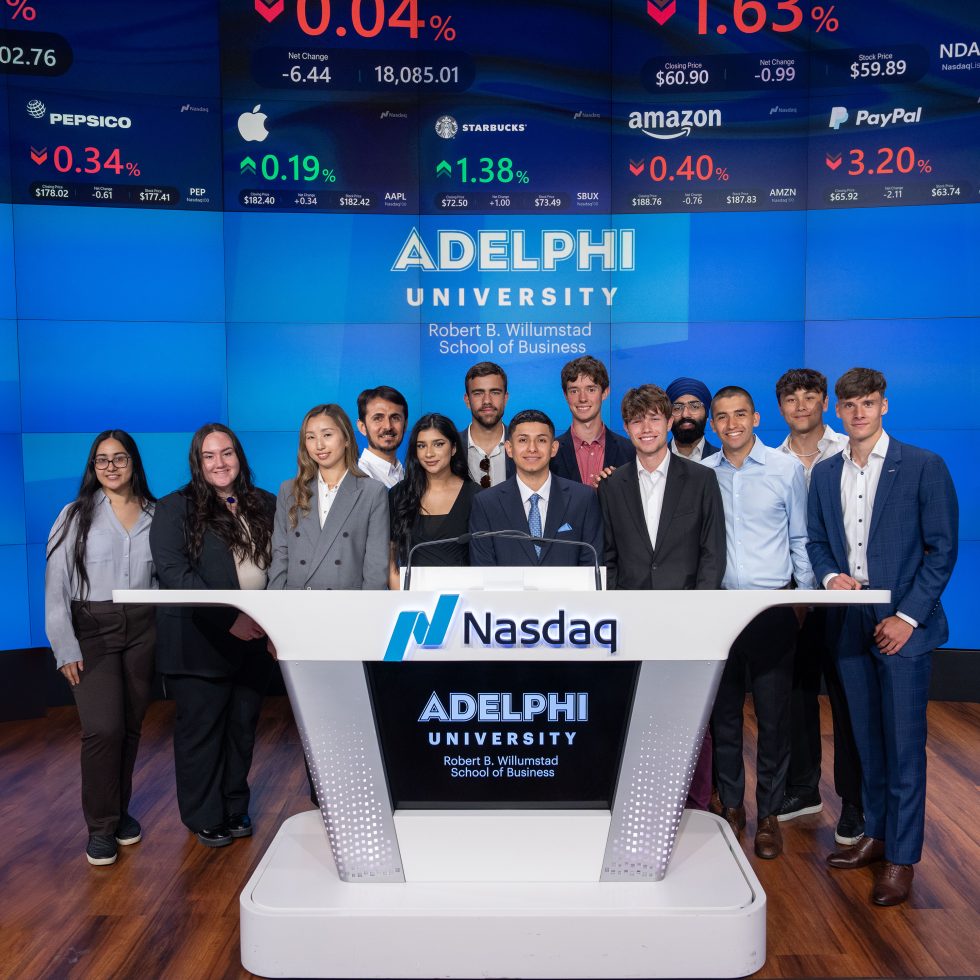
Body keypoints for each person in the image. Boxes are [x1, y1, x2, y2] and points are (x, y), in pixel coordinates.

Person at [807, 368, 958, 906]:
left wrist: (908, 617)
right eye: (849, 405)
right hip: (849, 621)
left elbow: (942, 551)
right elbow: (819, 543)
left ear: (884, 406)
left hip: (904, 628)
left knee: (903, 746)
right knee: (864, 741)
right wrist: (829, 578)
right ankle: (874, 834)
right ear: (838, 412)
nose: (858, 412)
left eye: (868, 403)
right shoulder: (825, 474)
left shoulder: (922, 466)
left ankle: (901, 857)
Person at [598, 385, 725, 809]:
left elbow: (712, 553)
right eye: (637, 421)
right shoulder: (612, 486)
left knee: (691, 716)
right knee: (636, 712)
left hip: (686, 616)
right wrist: (616, 611)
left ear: (669, 421)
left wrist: (700, 613)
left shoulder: (702, 479)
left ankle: (696, 805)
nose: (646, 428)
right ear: (628, 428)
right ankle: (640, 799)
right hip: (632, 618)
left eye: (654, 418)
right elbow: (610, 556)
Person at [702, 386, 815, 860]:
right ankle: (732, 807)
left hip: (772, 611)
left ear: (756, 417)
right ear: (713, 422)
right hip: (719, 611)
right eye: (722, 417)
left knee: (773, 719)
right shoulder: (701, 474)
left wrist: (803, 601)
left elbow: (801, 537)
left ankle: (768, 814)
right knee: (724, 718)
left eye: (740, 415)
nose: (731, 424)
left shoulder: (786, 470)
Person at [150, 423, 275, 848]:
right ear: (197, 462)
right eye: (209, 456)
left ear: (239, 456)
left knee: (242, 726)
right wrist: (229, 620)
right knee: (202, 731)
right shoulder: (175, 508)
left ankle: (234, 805)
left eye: (227, 453)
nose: (220, 463)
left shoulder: (265, 504)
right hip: (200, 639)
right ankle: (205, 816)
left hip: (255, 638)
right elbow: (174, 574)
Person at [45, 430, 157, 867]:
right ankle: (99, 828)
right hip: (91, 628)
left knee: (129, 727)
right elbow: (56, 588)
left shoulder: (156, 512)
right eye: (102, 460)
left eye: (120, 458)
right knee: (102, 729)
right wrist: (64, 646)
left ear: (134, 463)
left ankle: (119, 812)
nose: (111, 467)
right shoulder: (74, 516)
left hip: (144, 627)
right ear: (93, 468)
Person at [773, 368, 863, 845]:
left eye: (810, 396)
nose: (801, 405)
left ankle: (854, 804)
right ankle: (803, 789)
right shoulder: (772, 459)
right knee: (797, 695)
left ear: (825, 402)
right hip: (796, 597)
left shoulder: (848, 448)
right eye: (791, 398)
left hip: (847, 594)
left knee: (850, 702)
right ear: (781, 407)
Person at [268, 403, 388, 591]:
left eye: (327, 435)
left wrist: (367, 614)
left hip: (346, 606)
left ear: (346, 438)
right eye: (310, 437)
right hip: (295, 604)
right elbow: (280, 554)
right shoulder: (289, 490)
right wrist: (273, 606)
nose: (319, 445)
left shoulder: (372, 492)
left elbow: (376, 565)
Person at [469, 409, 602, 567]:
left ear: (554, 448)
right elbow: (484, 569)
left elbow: (592, 565)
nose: (532, 448)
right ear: (509, 448)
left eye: (541, 440)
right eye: (523, 440)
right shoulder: (486, 503)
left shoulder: (583, 499)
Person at [389, 413, 478, 588]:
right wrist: (400, 597)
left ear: (453, 448)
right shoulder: (399, 494)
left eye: (438, 444)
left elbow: (484, 559)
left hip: (463, 600)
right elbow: (390, 559)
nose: (429, 453)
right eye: (421, 446)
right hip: (410, 600)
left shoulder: (476, 496)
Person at [551, 355, 635, 487]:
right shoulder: (550, 454)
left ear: (605, 393)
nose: (582, 398)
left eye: (591, 389)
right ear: (565, 396)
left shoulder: (630, 451)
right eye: (574, 391)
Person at [459, 361, 514, 488]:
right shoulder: (451, 448)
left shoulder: (524, 447)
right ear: (467, 400)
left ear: (505, 398)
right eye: (478, 393)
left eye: (495, 392)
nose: (487, 401)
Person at [355, 385, 408, 489]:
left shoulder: (403, 472)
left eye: (395, 418)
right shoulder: (358, 479)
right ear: (362, 427)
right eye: (378, 418)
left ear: (405, 425)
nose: (388, 426)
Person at [665, 377, 720, 461]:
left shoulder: (722, 461)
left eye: (694, 406)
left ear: (707, 414)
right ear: (668, 417)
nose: (685, 414)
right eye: (677, 408)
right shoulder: (655, 460)